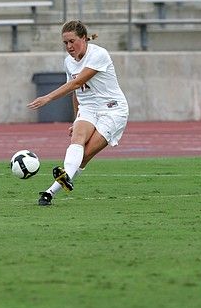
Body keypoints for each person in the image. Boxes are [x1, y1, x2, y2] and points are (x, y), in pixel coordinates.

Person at [27, 20, 129, 206]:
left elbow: (75, 83)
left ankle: (51, 191)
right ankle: (57, 186)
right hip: (88, 108)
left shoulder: (98, 54)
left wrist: (48, 98)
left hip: (112, 110)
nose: (69, 46)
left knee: (85, 155)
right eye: (65, 43)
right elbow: (76, 91)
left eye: (72, 41)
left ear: (83, 38)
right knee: (77, 139)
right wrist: (76, 120)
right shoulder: (69, 62)